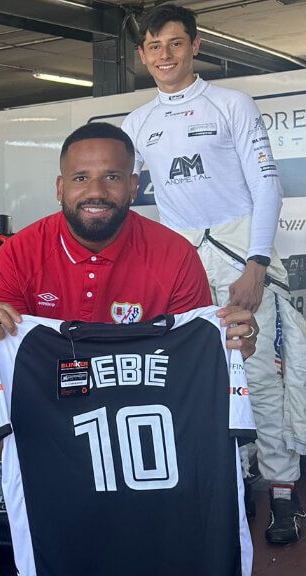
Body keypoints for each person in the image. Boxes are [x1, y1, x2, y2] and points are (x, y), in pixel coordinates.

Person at [0, 122, 258, 498]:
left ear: (134, 187)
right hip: (46, 396)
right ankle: (37, 537)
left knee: (207, 447)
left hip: (143, 398)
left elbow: (193, 374)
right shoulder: (19, 253)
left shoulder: (174, 254)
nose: (96, 192)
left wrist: (233, 350)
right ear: (60, 188)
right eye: (81, 178)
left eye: (113, 177)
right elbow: (1, 382)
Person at [121, 3, 304, 544]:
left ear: (196, 45)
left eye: (174, 43)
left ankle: (284, 491)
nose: (165, 55)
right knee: (198, 376)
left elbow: (268, 186)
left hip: (238, 254)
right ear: (142, 56)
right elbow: (121, 198)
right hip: (178, 263)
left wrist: (258, 261)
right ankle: (231, 474)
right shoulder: (138, 123)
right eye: (154, 47)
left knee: (260, 377)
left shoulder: (231, 104)